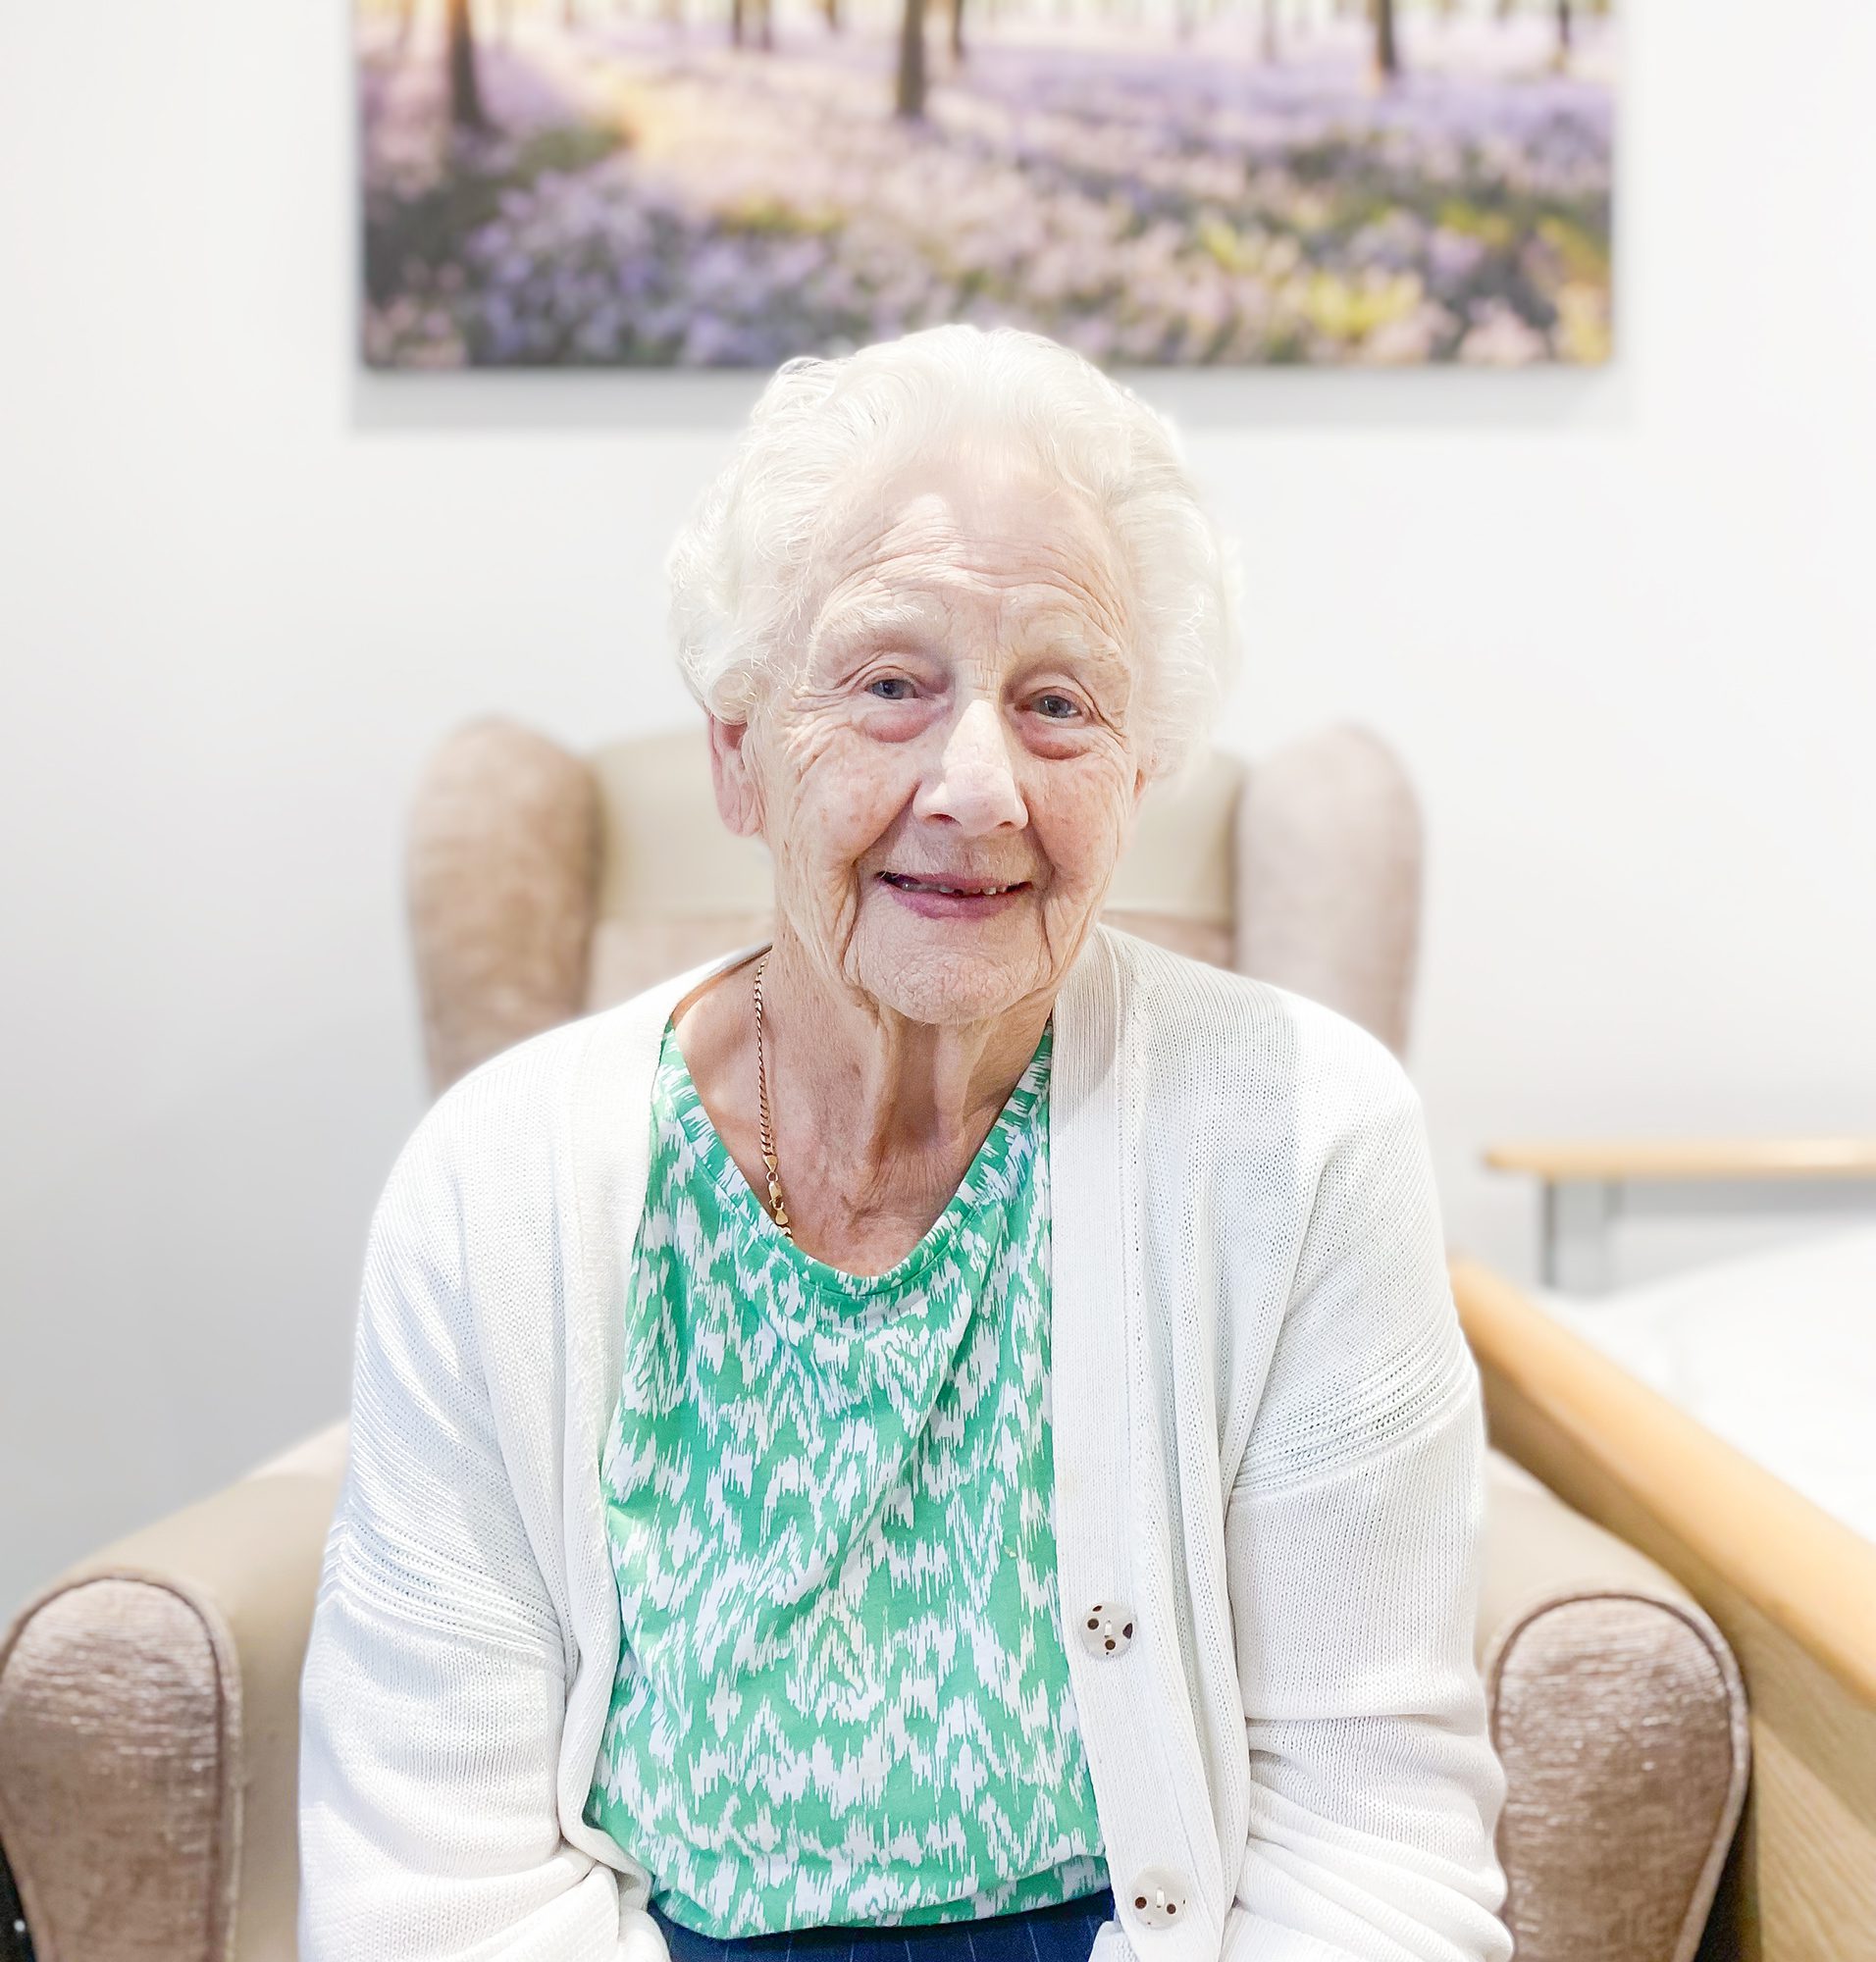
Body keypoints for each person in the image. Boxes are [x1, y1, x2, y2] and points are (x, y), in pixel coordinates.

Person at [297, 323, 1513, 1962]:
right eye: (889, 685)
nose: (978, 784)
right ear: (741, 753)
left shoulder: (1301, 1139)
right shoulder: (498, 1183)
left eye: (1059, 703)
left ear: (1140, 774)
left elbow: (1371, 1844)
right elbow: (430, 1874)